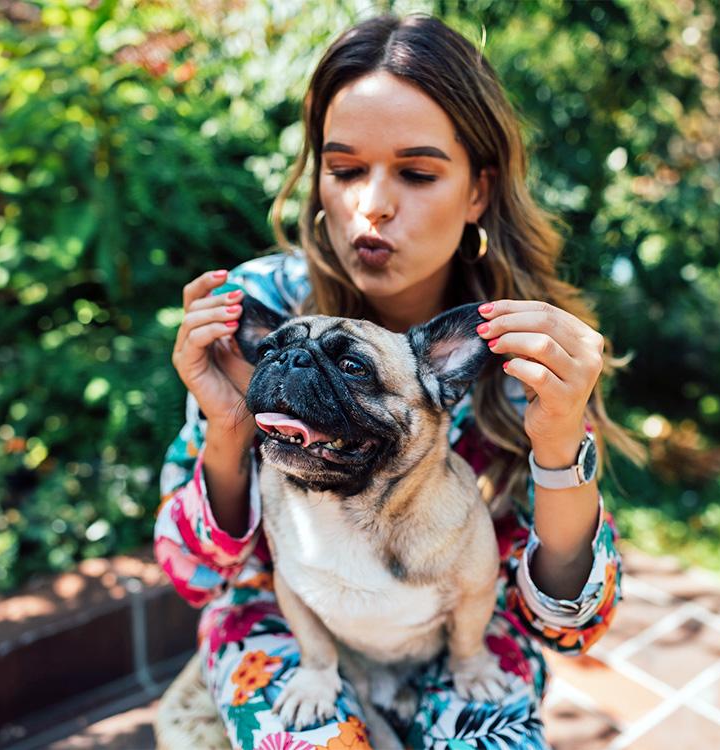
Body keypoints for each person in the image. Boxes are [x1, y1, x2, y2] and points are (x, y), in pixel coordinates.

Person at [156, 13, 646, 750]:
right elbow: (194, 574)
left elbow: (571, 625)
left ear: (479, 191)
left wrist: (556, 446)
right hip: (289, 621)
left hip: (454, 634)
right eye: (344, 168)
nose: (370, 204)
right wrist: (229, 430)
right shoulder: (264, 310)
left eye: (416, 173)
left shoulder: (525, 355)